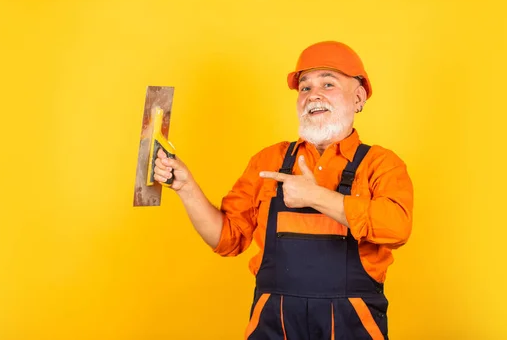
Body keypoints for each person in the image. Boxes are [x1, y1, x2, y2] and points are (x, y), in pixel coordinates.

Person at [154, 40, 414, 340]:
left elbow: (397, 227)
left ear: (358, 98)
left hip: (352, 324)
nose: (313, 94)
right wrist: (186, 187)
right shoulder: (270, 161)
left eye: (328, 84)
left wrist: (316, 196)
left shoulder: (381, 164)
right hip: (273, 324)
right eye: (305, 87)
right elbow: (227, 239)